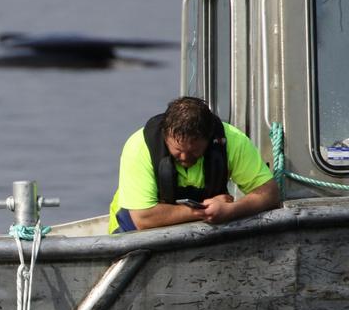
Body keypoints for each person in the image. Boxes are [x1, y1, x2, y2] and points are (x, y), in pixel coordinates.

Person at [108, 96, 280, 233]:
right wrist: (205, 212)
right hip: (131, 232)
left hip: (202, 233)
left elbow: (270, 193)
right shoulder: (139, 146)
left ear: (208, 138)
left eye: (194, 151)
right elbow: (143, 218)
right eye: (177, 150)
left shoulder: (232, 141)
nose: (184, 157)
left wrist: (232, 210)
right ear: (165, 134)